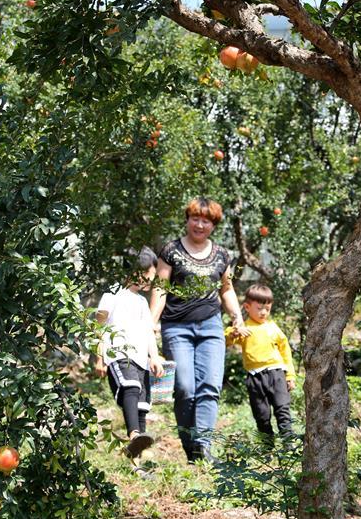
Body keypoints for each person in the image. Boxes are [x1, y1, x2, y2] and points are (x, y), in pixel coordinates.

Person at [150, 197, 249, 463]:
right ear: (188, 219)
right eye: (196, 218)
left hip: (211, 326)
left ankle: (204, 447)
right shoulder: (171, 251)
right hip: (176, 327)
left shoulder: (221, 255)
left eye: (206, 220)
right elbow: (160, 288)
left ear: (213, 225)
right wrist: (151, 323)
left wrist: (237, 318)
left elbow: (226, 289)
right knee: (184, 388)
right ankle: (190, 447)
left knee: (210, 386)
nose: (200, 224)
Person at [95, 247, 164, 459]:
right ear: (134, 271)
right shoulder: (112, 294)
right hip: (118, 354)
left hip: (141, 359)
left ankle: (137, 457)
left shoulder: (142, 302)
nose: (149, 282)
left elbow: (148, 332)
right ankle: (133, 434)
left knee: (142, 406)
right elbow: (99, 327)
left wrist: (154, 356)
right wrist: (99, 357)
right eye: (147, 276)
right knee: (131, 387)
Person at [226, 282, 296, 440]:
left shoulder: (273, 327)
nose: (264, 312)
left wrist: (290, 376)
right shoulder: (245, 328)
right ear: (247, 307)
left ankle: (289, 446)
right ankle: (267, 449)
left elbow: (285, 351)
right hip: (255, 378)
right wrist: (234, 332)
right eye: (259, 308)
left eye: (268, 309)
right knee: (262, 415)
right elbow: (226, 341)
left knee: (282, 410)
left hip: (277, 374)